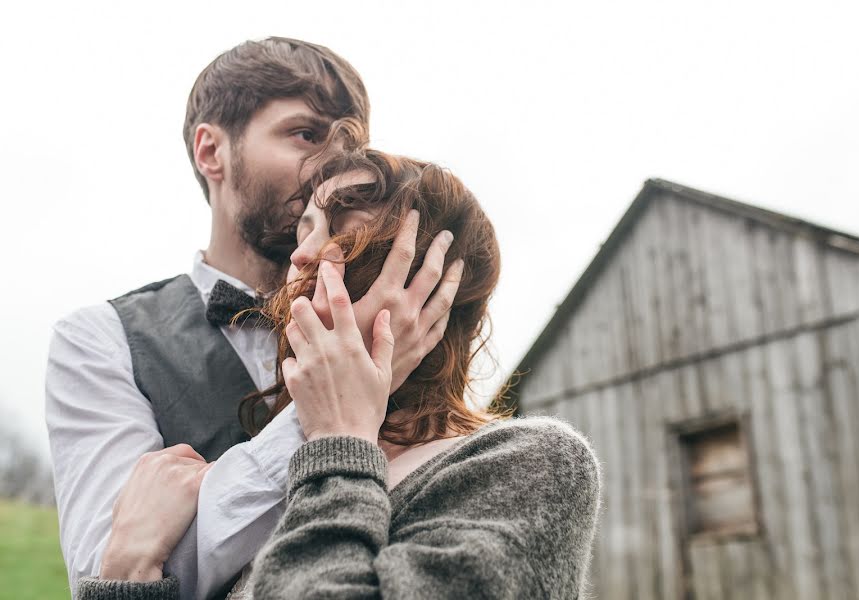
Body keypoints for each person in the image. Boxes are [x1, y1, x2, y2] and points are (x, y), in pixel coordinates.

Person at [75, 145, 602, 600]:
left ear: (427, 278)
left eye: (341, 232)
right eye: (304, 229)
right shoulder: (279, 483)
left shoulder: (531, 463)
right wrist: (127, 573)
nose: (300, 255)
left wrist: (341, 440)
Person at [46, 38, 460, 599]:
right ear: (211, 152)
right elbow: (113, 570)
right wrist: (338, 400)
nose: (330, 169)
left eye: (349, 145)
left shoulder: (409, 328)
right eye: (306, 135)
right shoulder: (98, 340)